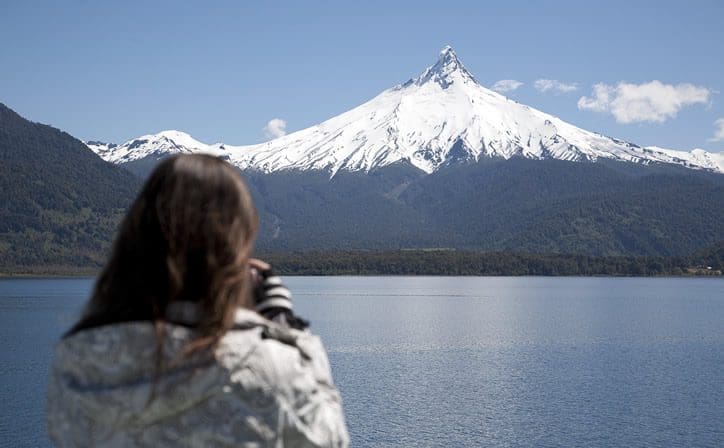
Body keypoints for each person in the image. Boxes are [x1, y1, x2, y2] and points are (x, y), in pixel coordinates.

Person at [47, 154, 349, 447]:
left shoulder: (76, 361)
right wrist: (283, 323)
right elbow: (330, 438)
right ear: (232, 253)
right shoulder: (267, 364)